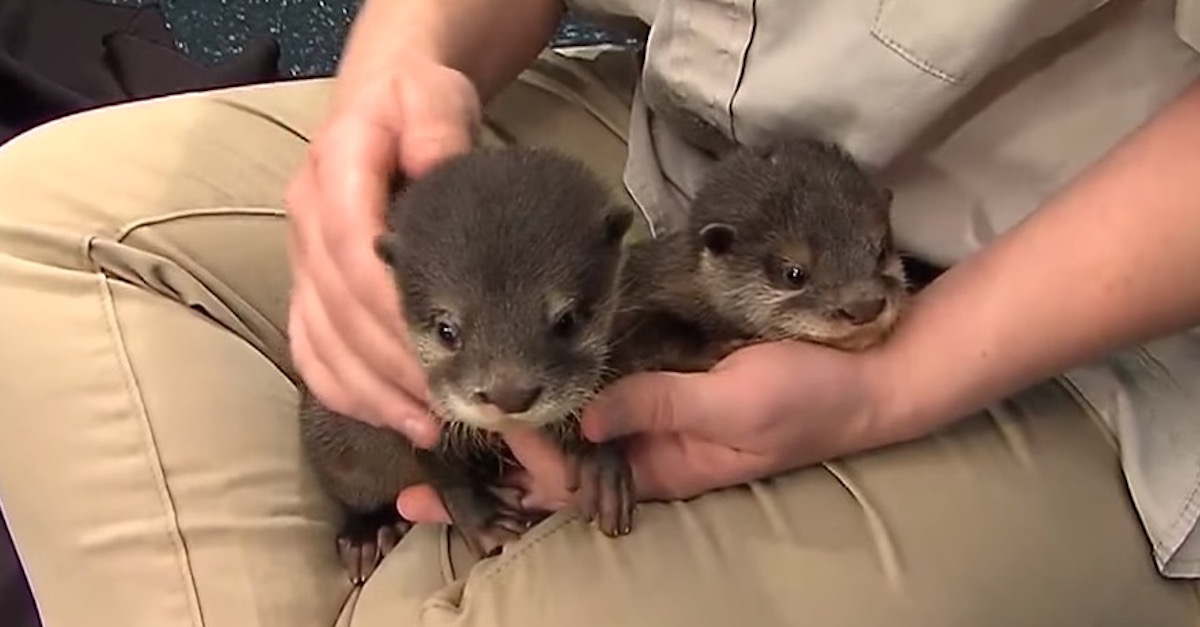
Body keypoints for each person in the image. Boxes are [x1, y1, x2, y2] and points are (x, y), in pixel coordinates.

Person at [1, 0, 1199, 625]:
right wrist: (402, 71)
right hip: (672, 150)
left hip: (1091, 322)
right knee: (37, 219)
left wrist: (901, 375)